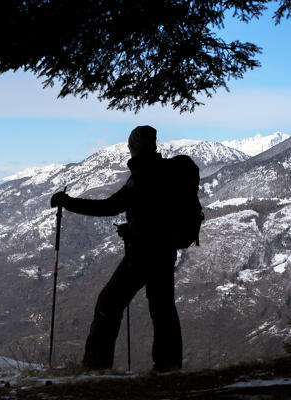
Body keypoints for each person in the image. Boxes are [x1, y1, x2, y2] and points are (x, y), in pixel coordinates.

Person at [50, 125, 182, 373]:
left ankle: (96, 367)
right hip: (165, 251)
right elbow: (156, 217)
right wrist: (133, 228)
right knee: (163, 308)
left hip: (143, 254)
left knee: (108, 303)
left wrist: (68, 203)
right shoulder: (166, 172)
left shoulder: (142, 175)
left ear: (132, 148)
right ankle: (169, 365)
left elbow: (109, 207)